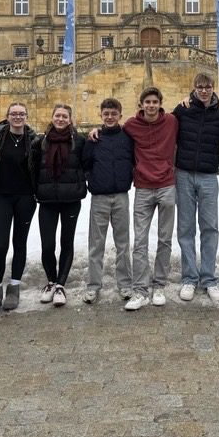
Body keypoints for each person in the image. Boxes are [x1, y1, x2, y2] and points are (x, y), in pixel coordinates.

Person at [121, 87, 179, 311]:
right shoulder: (131, 126)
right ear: (141, 104)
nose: (151, 105)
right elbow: (113, 132)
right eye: (148, 102)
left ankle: (160, 286)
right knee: (140, 241)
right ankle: (140, 290)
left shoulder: (172, 121)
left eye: (155, 101)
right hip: (143, 188)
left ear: (160, 103)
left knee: (165, 239)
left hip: (166, 186)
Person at [172, 73, 219, 303]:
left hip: (207, 176)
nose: (204, 90)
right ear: (193, 88)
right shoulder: (183, 110)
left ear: (213, 88)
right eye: (200, 87)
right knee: (185, 228)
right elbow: (159, 124)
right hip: (183, 174)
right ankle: (189, 278)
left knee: (210, 227)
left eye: (208, 87)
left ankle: (209, 278)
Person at [30, 104, 87, 307]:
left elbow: (87, 164)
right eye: (57, 115)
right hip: (47, 200)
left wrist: (81, 183)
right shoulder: (40, 142)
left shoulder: (79, 141)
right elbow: (34, 168)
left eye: (64, 116)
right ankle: (51, 281)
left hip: (71, 199)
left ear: (70, 119)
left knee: (67, 242)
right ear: (52, 117)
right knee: (47, 244)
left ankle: (61, 285)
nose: (61, 119)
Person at [0, 102, 37, 312]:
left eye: (21, 114)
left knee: (20, 243)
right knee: (0, 244)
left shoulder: (33, 140)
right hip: (2, 197)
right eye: (13, 113)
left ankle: (14, 288)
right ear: (7, 116)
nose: (17, 117)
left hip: (25, 198)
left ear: (26, 116)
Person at [81, 98, 135, 303]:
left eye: (114, 113)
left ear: (120, 115)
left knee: (123, 243)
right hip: (99, 197)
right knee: (96, 244)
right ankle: (94, 285)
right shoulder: (94, 139)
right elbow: (85, 163)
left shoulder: (127, 137)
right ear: (101, 115)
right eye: (106, 114)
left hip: (121, 195)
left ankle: (125, 284)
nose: (110, 117)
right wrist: (93, 179)